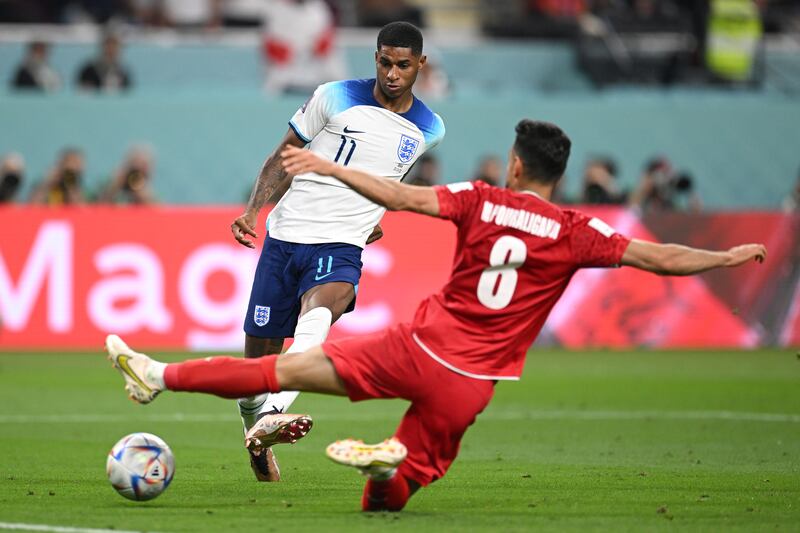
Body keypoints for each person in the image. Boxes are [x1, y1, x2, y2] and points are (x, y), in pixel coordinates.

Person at [107, 119, 766, 512]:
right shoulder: (578, 229)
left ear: (514, 165)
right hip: (470, 382)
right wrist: (726, 256)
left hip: (412, 346)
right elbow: (662, 257)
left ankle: (157, 375)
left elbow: (394, 194)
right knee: (389, 497)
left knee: (277, 367)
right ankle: (390, 467)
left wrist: (322, 165)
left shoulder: (479, 199)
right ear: (558, 175)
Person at [228, 21, 445, 482]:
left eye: (403, 65)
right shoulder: (334, 95)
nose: (392, 73)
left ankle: (274, 415)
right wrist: (253, 211)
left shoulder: (429, 127)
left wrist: (375, 218)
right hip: (287, 237)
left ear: (420, 65)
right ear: (375, 58)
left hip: (341, 241)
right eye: (385, 62)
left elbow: (392, 175)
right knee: (254, 374)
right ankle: (257, 429)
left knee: (323, 309)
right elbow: (285, 155)